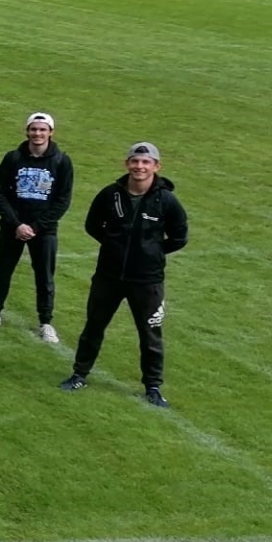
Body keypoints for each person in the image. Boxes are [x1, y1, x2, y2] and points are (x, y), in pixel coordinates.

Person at [62, 142, 189, 407]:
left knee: (150, 334)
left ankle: (153, 386)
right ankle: (79, 374)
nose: (139, 167)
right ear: (127, 164)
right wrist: (112, 246)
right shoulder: (111, 194)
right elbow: (92, 225)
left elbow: (179, 237)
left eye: (145, 162)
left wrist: (152, 252)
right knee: (94, 326)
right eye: (135, 161)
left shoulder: (166, 200)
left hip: (147, 281)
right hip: (108, 276)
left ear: (156, 166)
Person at [0, 112, 75, 345]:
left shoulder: (61, 161)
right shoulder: (13, 158)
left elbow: (63, 199)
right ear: (27, 131)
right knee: (3, 270)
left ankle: (46, 322)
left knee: (44, 275)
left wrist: (37, 226)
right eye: (33, 129)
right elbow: (0, 193)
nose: (37, 134)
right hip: (13, 227)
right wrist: (16, 223)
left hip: (44, 230)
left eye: (42, 129)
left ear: (50, 132)